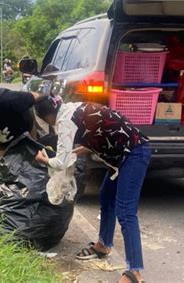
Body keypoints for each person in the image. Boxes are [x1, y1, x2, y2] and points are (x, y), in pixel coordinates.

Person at [34, 96, 151, 283]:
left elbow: (60, 162)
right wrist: (80, 149)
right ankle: (104, 245)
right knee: (106, 197)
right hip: (124, 153)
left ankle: (134, 272)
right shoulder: (73, 108)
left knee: (126, 211)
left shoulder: (64, 121)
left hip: (133, 153)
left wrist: (44, 160)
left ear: (46, 117)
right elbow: (97, 131)